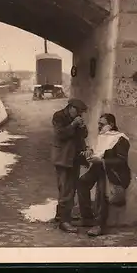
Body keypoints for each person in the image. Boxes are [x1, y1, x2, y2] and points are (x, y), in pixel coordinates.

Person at [77, 113, 132, 237]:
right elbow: (98, 152)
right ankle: (87, 217)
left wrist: (101, 161)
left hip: (114, 172)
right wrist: (90, 152)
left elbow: (121, 160)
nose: (99, 126)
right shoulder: (102, 136)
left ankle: (99, 225)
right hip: (100, 167)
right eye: (98, 124)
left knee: (102, 190)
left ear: (111, 124)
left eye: (102, 124)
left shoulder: (121, 139)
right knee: (82, 183)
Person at [51, 98, 89, 233]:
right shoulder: (59, 116)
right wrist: (73, 124)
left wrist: (82, 127)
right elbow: (61, 135)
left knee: (70, 188)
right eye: (78, 111)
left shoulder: (77, 119)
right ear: (70, 107)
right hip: (63, 158)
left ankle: (60, 216)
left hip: (74, 158)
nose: (80, 115)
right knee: (66, 189)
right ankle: (64, 222)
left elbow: (84, 135)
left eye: (81, 113)